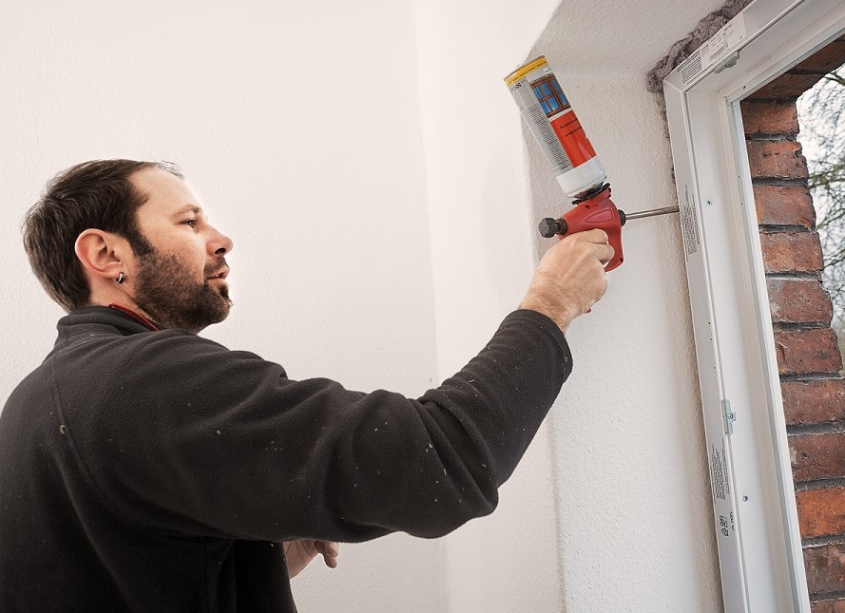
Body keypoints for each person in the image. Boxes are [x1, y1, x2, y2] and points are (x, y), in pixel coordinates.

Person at [0, 159, 612, 612]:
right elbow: (443, 463)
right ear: (106, 255)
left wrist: (255, 565)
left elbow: (122, 577)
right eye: (189, 221)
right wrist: (551, 302)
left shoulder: (31, 404)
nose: (221, 239)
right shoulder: (147, 379)